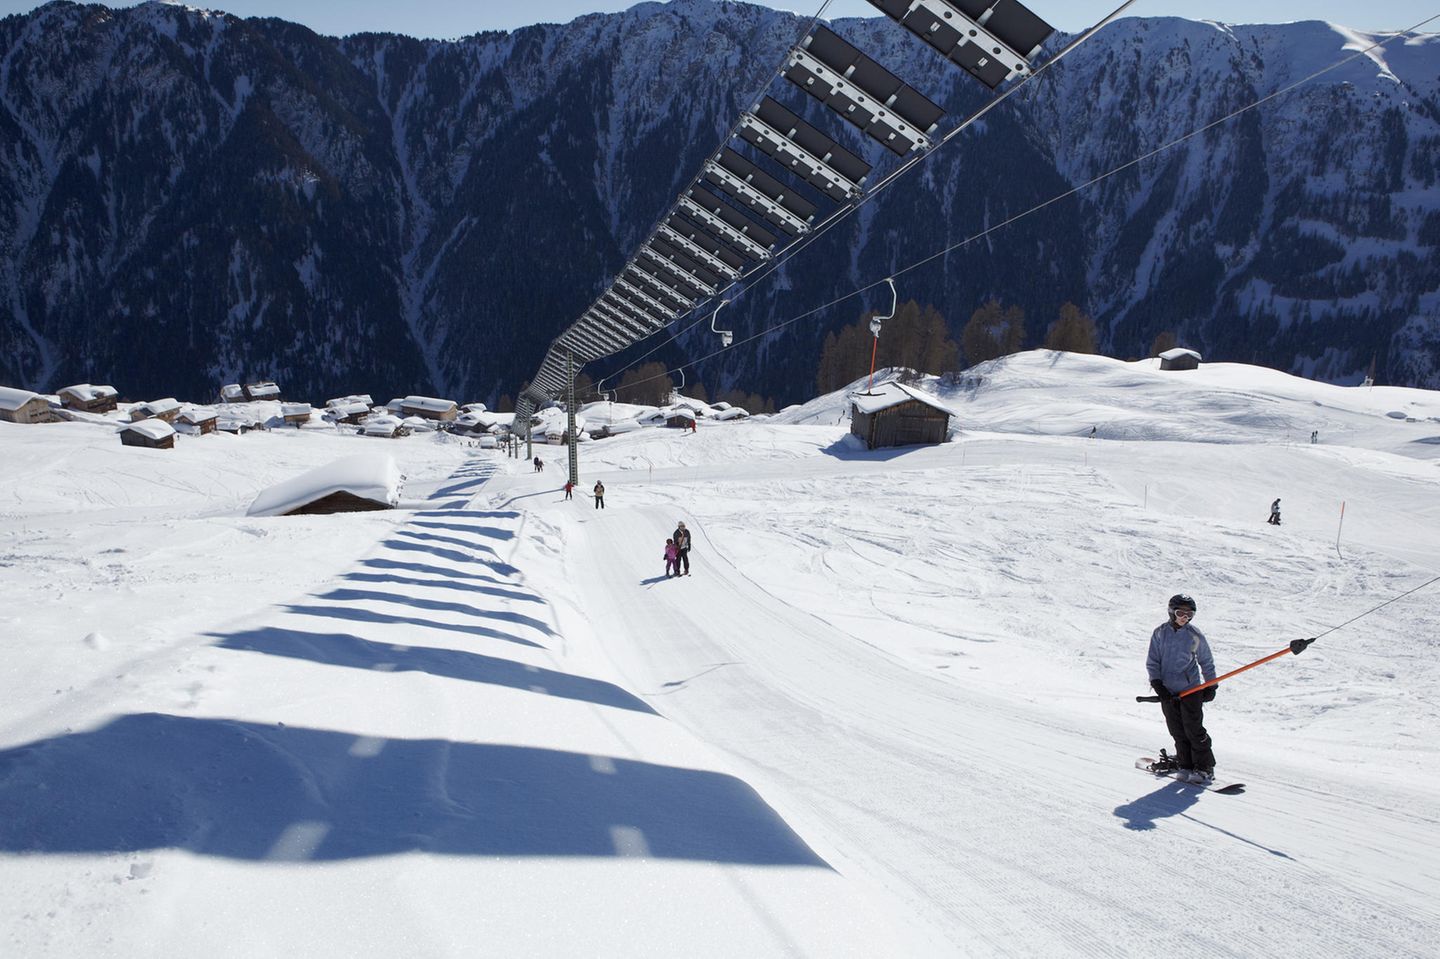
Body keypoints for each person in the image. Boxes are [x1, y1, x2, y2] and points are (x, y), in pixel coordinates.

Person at [1146, 594, 1218, 785]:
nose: (1185, 617)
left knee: (1194, 730)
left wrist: (1211, 685)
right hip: (1168, 691)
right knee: (1177, 730)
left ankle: (1204, 767)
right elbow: (1153, 661)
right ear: (1171, 612)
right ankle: (1185, 765)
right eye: (1180, 613)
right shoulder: (1160, 633)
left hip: (1190, 689)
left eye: (1189, 614)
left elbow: (1206, 661)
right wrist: (1157, 684)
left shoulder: (1194, 635)